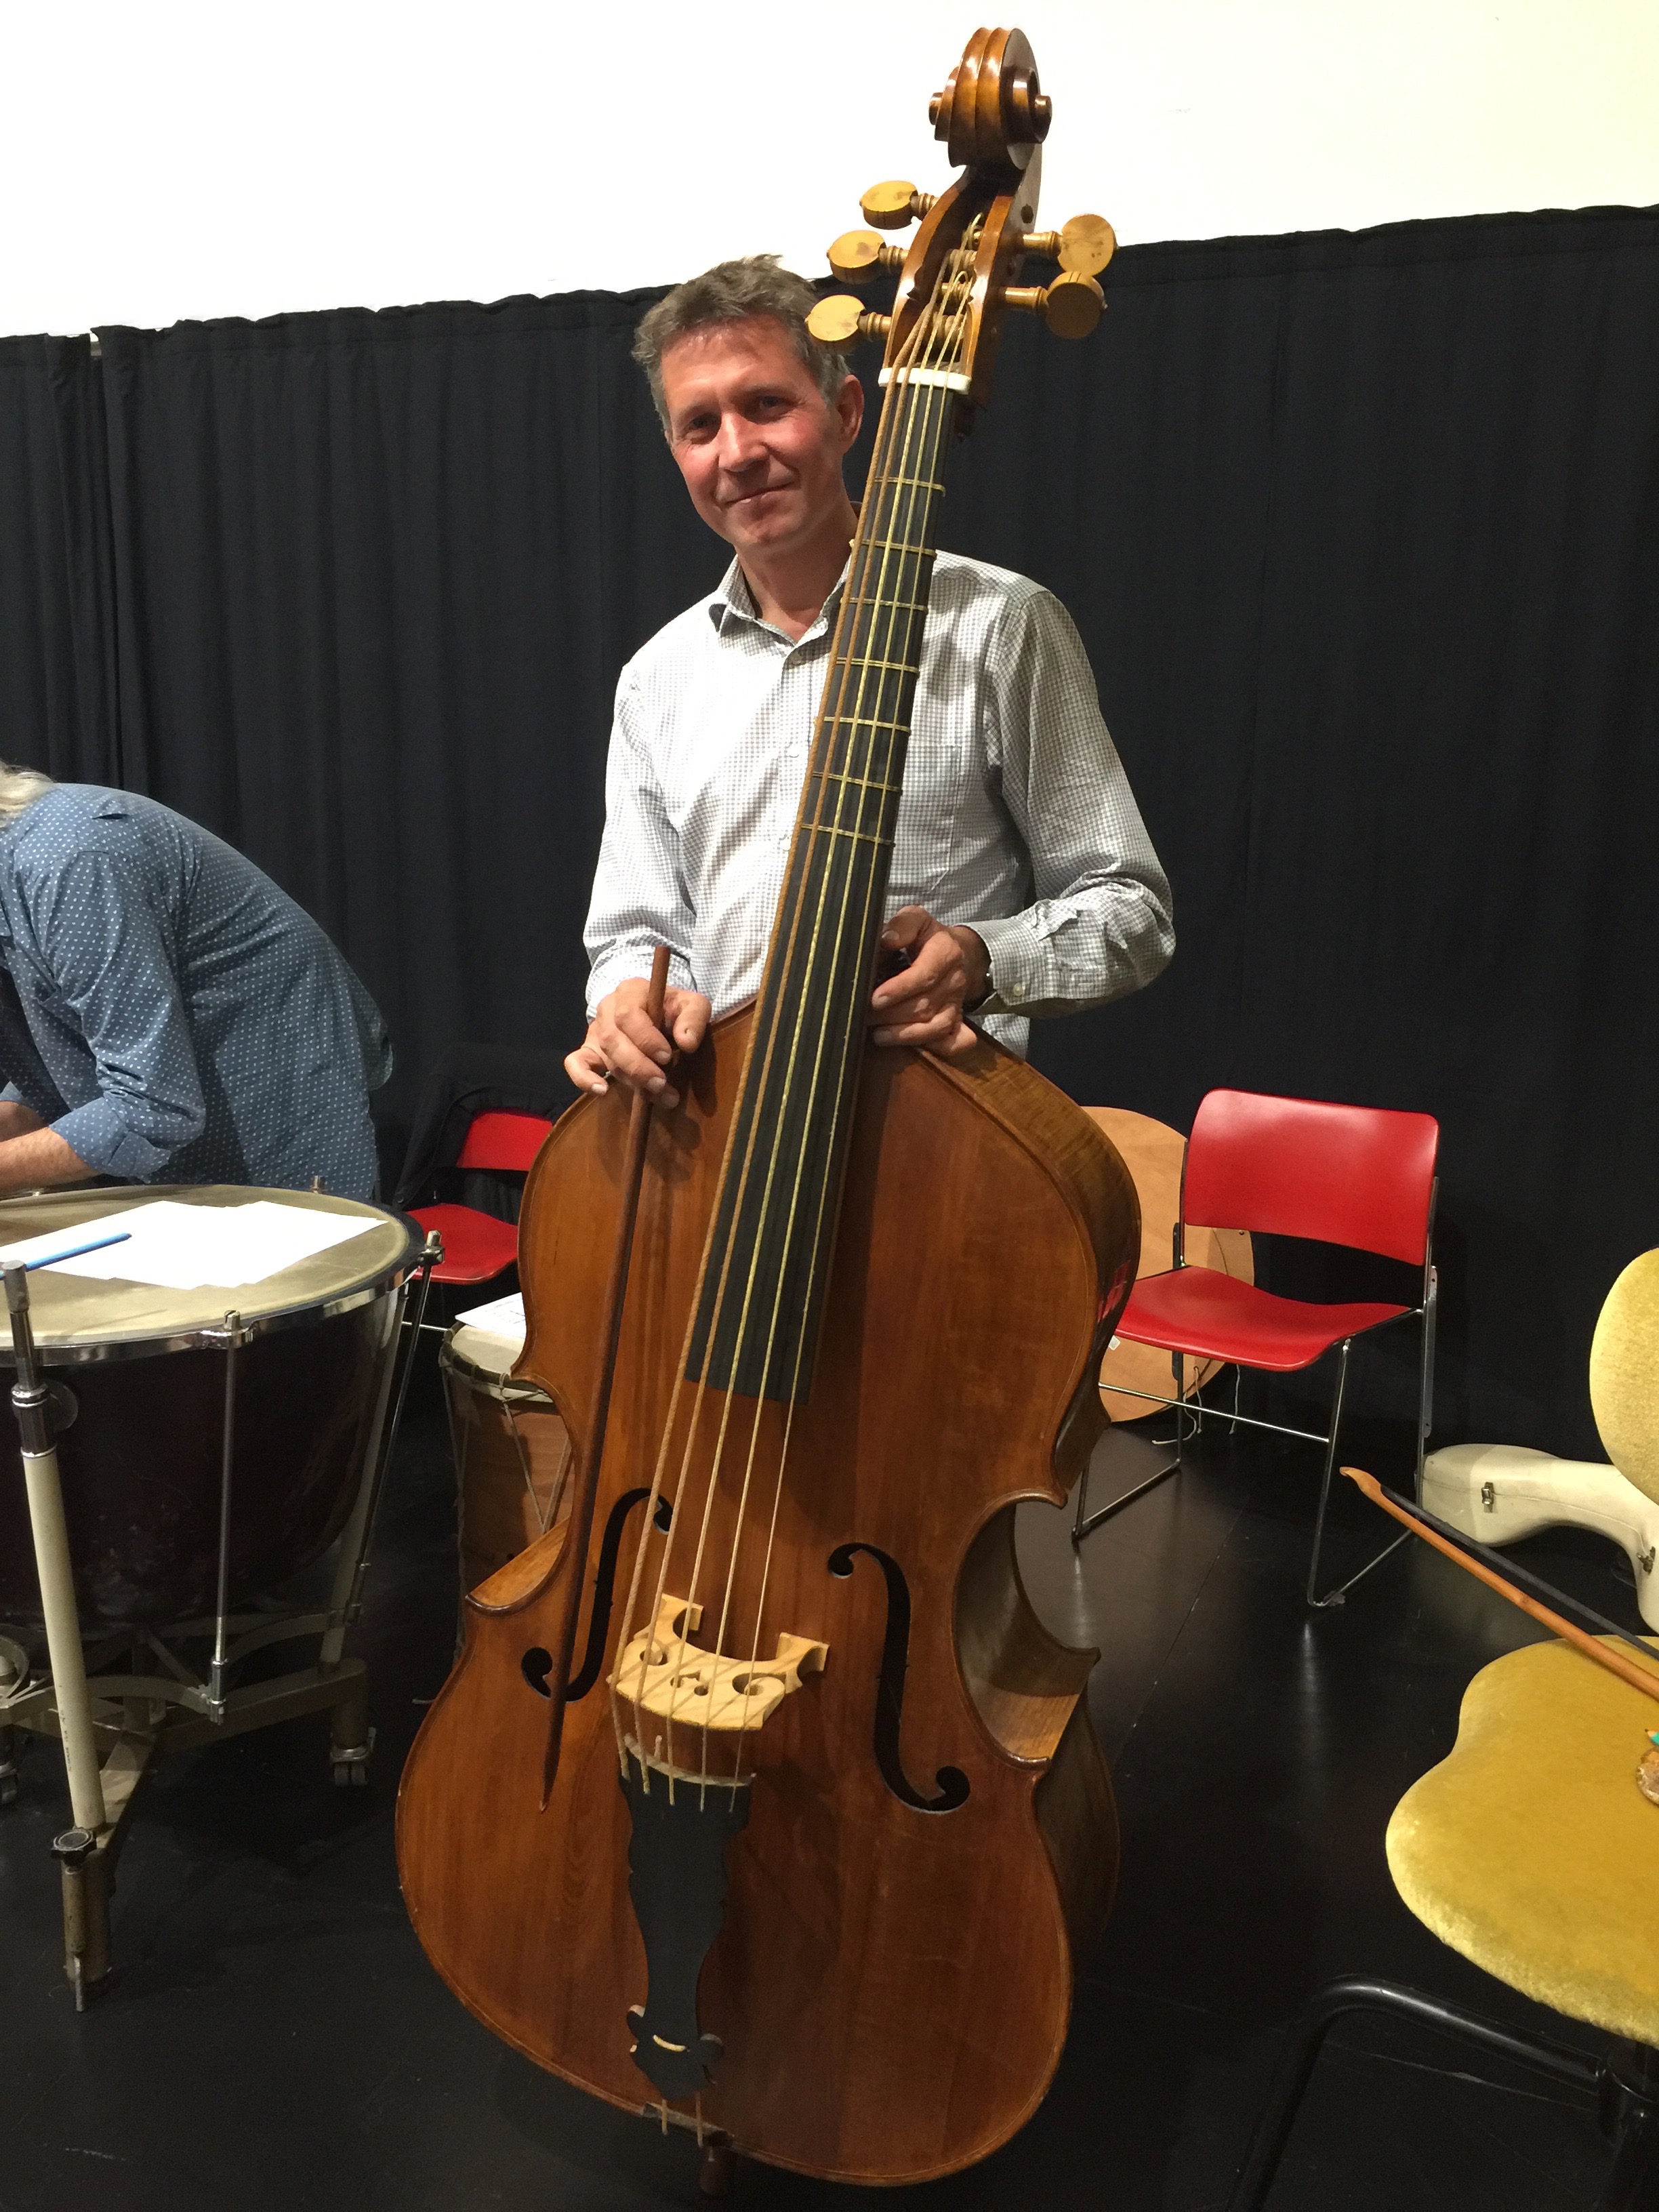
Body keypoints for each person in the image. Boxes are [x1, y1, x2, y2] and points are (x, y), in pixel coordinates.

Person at [565, 256, 1173, 1108]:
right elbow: (634, 936)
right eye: (701, 425)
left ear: (848, 412)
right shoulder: (656, 680)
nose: (737, 453)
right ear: (677, 453)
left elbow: (1131, 910)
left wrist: (984, 959)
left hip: (943, 1139)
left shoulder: (1000, 625)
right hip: (723, 1145)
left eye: (767, 405)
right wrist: (628, 999)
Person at [0, 768, 391, 1197]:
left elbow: (151, 1110)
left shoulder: (71, 861)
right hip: (185, 1093)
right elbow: (66, 1044)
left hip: (272, 1073)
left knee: (301, 1238)